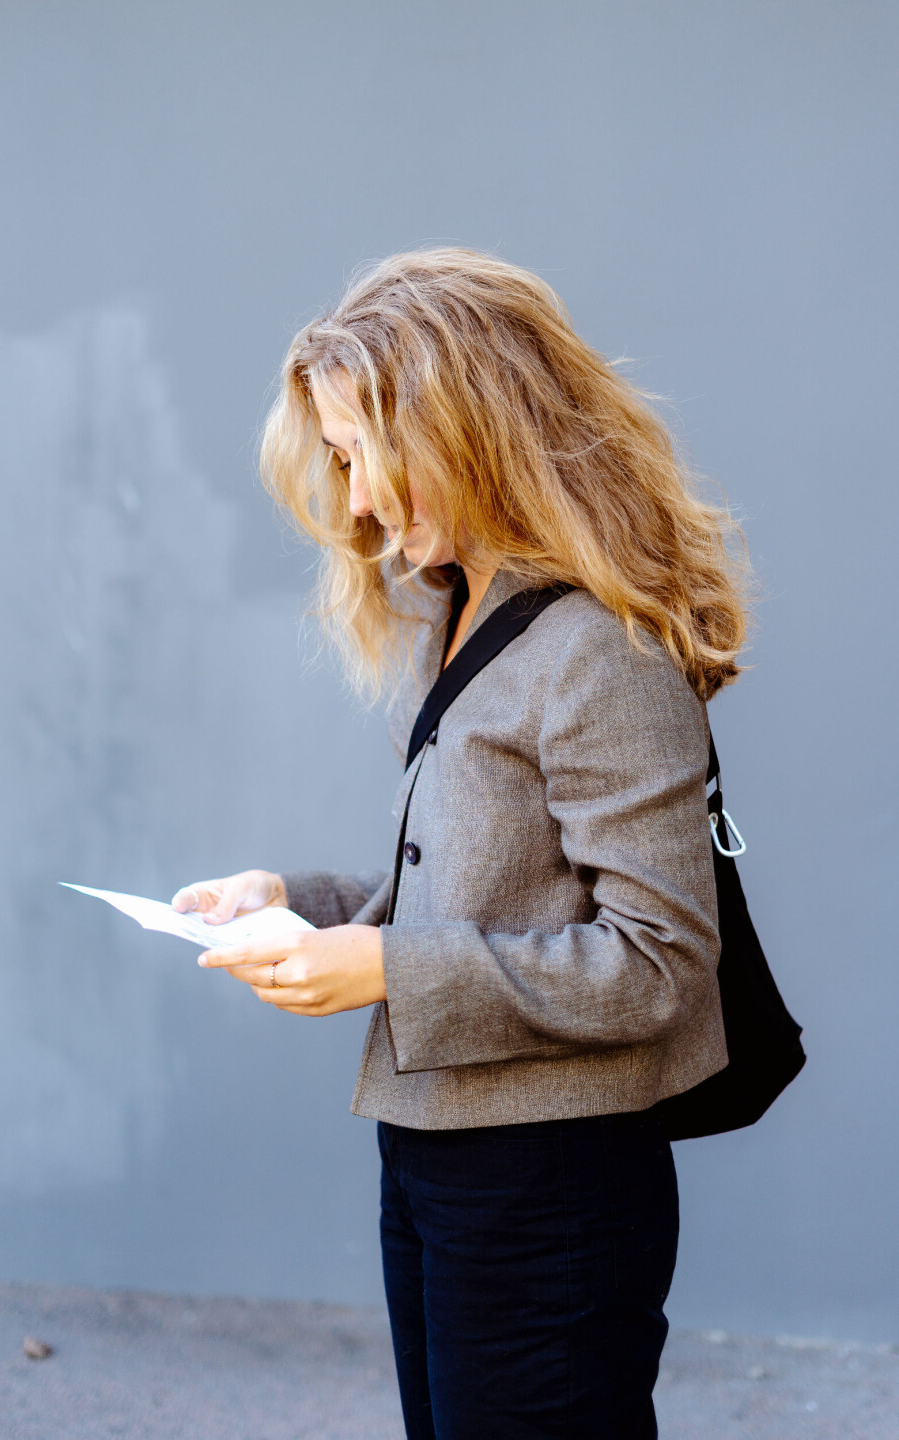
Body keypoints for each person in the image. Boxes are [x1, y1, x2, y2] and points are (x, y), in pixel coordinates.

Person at [172, 248, 748, 1439]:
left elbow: (657, 962)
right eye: (338, 459)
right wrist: (300, 900)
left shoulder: (600, 651)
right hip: (439, 1156)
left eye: (365, 454)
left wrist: (383, 970)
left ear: (473, 428)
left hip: (554, 1188)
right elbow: (475, 891)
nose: (362, 502)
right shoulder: (466, 608)